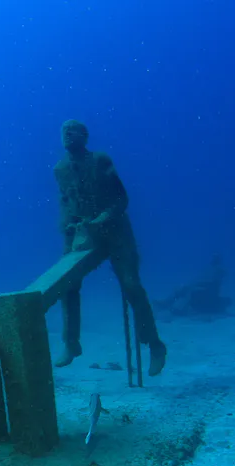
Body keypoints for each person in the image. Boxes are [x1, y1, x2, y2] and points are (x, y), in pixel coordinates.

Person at [52, 119, 166, 375]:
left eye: (73, 130)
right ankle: (71, 343)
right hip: (84, 235)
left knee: (131, 286)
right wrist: (67, 229)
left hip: (116, 234)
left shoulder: (100, 160)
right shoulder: (60, 169)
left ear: (85, 136)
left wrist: (102, 219)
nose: (67, 134)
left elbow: (121, 198)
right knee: (67, 284)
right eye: (63, 131)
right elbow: (65, 203)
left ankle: (154, 345)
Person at [157, 254, 232, 317]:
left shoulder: (218, 271)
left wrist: (197, 285)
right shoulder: (214, 271)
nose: (212, 260)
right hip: (208, 293)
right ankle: (169, 303)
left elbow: (211, 285)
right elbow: (208, 283)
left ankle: (175, 307)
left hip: (209, 296)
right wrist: (197, 285)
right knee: (185, 289)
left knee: (189, 291)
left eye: (214, 259)